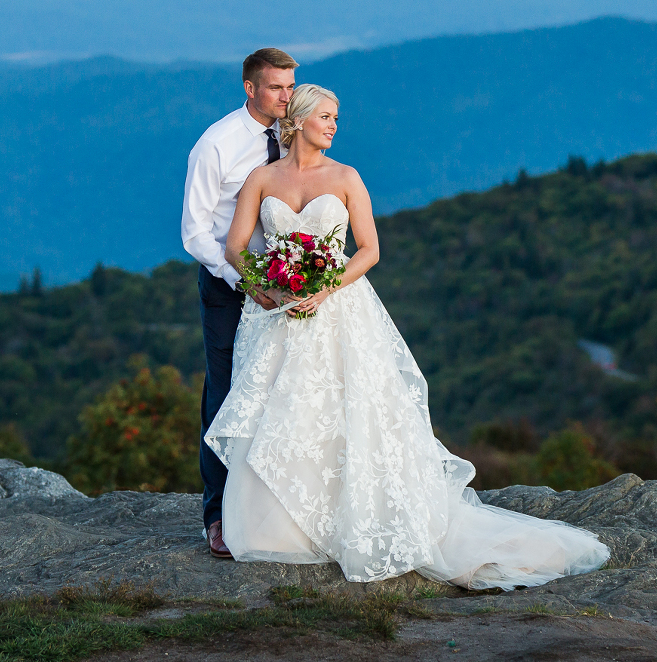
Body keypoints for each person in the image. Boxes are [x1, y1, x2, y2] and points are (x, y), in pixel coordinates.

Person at [206, 84, 610, 588]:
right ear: (302, 120)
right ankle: (286, 528)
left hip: (337, 310)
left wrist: (325, 288)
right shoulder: (261, 179)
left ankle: (353, 518)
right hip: (277, 313)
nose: (335, 126)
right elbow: (237, 247)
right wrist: (267, 287)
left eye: (337, 118)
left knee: (345, 410)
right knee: (283, 412)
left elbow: (369, 249)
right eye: (327, 117)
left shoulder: (347, 177)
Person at [181, 47, 297, 558]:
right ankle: (219, 515)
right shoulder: (217, 144)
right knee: (227, 396)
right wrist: (243, 277)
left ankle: (278, 510)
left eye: (290, 87)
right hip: (229, 290)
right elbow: (194, 233)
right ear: (250, 88)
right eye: (276, 88)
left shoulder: (293, 134)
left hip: (288, 287)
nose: (286, 97)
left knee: (287, 392)